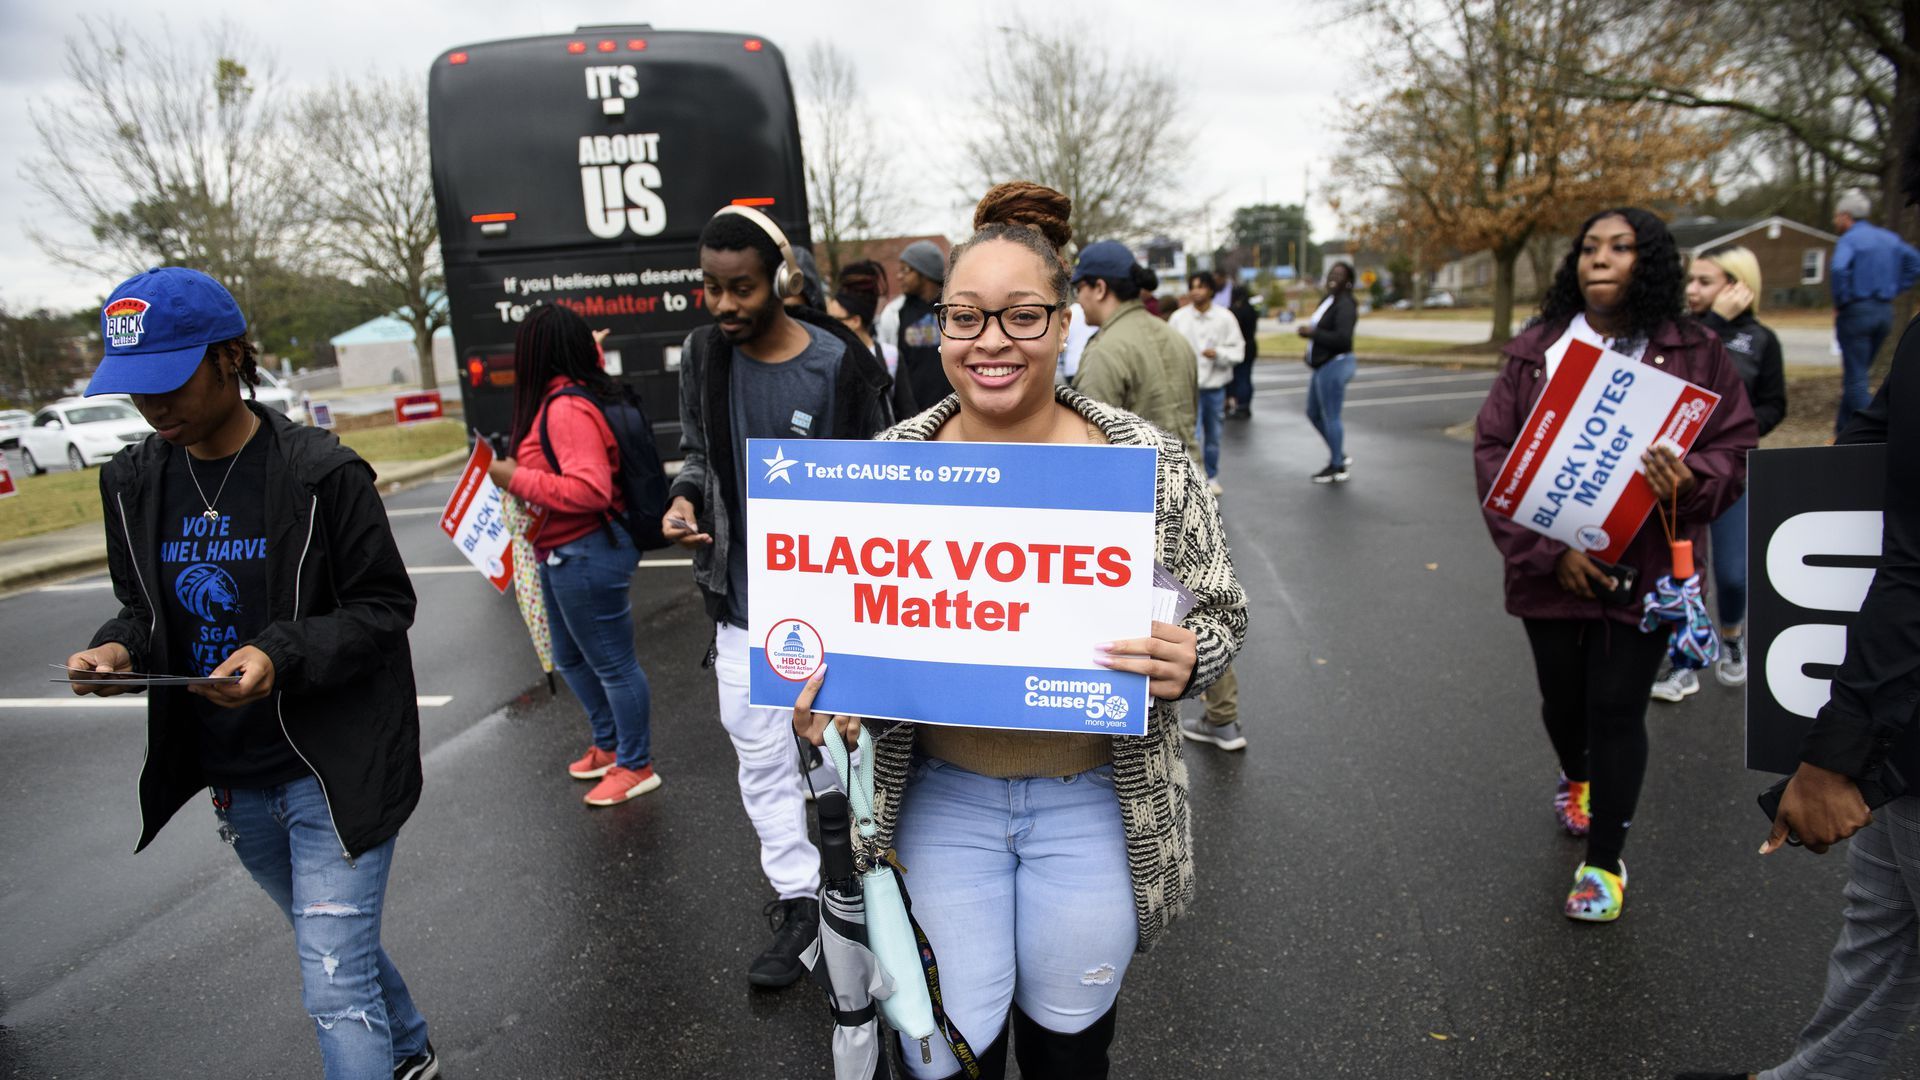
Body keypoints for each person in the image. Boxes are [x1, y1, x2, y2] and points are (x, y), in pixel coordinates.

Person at [792, 181, 1246, 1078]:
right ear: (940, 328)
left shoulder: (1146, 466)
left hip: (1093, 807)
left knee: (1070, 1048)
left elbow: (1222, 612)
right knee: (946, 1051)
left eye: (1021, 316)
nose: (990, 342)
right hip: (940, 803)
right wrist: (824, 702)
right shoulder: (884, 472)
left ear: (1067, 322)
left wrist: (1195, 655)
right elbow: (836, 646)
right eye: (966, 318)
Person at [63, 267, 438, 1079]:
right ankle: (408, 1047)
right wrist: (115, 649)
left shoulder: (321, 473)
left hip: (330, 771)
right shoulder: (130, 482)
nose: (153, 406)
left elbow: (383, 607)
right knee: (328, 943)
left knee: (333, 982)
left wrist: (281, 651)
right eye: (135, 389)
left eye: (170, 380)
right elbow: (141, 609)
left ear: (230, 356)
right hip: (233, 775)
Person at [1473, 208, 1756, 922]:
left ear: (1650, 262)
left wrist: (1692, 477)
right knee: (1564, 703)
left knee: (1618, 709)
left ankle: (1603, 862)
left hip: (1649, 569)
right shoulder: (1537, 350)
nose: (1599, 258)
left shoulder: (1695, 351)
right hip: (1549, 569)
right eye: (1589, 246)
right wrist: (1550, 551)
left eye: (1620, 247)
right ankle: (1577, 775)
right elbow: (1494, 455)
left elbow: (1736, 447)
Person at [661, 204, 894, 988]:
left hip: (839, 613)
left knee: (850, 759)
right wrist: (688, 501)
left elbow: (889, 480)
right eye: (712, 288)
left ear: (781, 282)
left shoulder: (844, 366)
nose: (724, 305)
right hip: (743, 610)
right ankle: (802, 904)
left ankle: (871, 895)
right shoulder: (703, 355)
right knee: (763, 765)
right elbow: (697, 452)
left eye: (741, 288)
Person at [486, 304, 660, 807]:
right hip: (563, 551)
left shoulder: (565, 408)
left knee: (611, 664)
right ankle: (610, 746)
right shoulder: (563, 398)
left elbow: (590, 490)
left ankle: (636, 763)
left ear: (536, 353)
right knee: (570, 657)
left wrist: (510, 476)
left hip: (585, 552)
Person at [1650, 245, 1787, 703]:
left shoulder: (1762, 340)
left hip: (1730, 474)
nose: (1692, 290)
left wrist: (1741, 433)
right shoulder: (1680, 335)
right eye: (1690, 280)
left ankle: (1731, 637)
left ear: (1739, 286)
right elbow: (1675, 379)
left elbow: (1773, 403)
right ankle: (1683, 662)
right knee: (1682, 573)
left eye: (1705, 282)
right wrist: (1717, 325)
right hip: (1675, 475)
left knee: (1732, 575)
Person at [1068, 240, 1196, 458]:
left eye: (1079, 288)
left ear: (1099, 288)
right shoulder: (1176, 338)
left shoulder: (1105, 351)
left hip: (1140, 487)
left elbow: (1092, 445)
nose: (1078, 299)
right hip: (1190, 480)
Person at [1830, 189, 1920, 434]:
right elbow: (1915, 262)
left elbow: (1839, 269)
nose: (1835, 221)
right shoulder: (1888, 238)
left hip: (1856, 313)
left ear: (1846, 216)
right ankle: (1843, 433)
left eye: (1837, 216)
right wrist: (1896, 288)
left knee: (1856, 378)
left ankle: (1876, 434)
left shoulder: (1849, 239)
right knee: (1856, 373)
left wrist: (1842, 300)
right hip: (1884, 312)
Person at [1167, 270, 1244, 495]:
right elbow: (1168, 349)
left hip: (1214, 388)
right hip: (1187, 387)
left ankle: (1211, 476)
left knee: (1213, 436)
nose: (1195, 291)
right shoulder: (1179, 318)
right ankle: (1192, 479)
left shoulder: (1225, 318)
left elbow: (1238, 351)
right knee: (1191, 435)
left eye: (1200, 286)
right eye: (1192, 286)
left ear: (1211, 289)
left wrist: (1218, 353)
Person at [1298, 262, 1359, 483]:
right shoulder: (1328, 300)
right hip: (1321, 366)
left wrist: (1314, 334)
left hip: (1336, 364)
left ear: (1349, 280)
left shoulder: (1346, 305)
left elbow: (1343, 338)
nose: (1334, 276)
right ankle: (1338, 452)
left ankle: (1337, 466)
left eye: (1340, 274)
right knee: (1313, 412)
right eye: (1331, 272)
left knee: (1331, 415)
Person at [893, 238, 951, 416]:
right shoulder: (897, 312)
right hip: (913, 415)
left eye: (906, 270)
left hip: (952, 409)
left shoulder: (951, 307)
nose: (899, 276)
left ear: (923, 272)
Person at [827, 258, 889, 356]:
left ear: (855, 321)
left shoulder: (891, 357)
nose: (828, 327)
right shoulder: (829, 358)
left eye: (835, 320)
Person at [1225, 287, 1260, 419]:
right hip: (1251, 346)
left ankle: (1241, 406)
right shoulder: (1251, 309)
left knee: (1240, 378)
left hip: (1240, 347)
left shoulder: (1236, 311)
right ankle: (1245, 405)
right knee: (1246, 377)